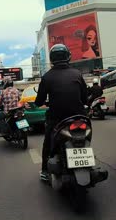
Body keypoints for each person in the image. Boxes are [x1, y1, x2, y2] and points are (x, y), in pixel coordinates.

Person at [35, 44, 88, 181]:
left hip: (57, 119)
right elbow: (84, 98)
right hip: (80, 117)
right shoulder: (77, 74)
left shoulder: (47, 77)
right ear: (68, 56)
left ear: (52, 59)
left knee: (48, 142)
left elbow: (39, 101)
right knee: (86, 137)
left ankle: (45, 171)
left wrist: (40, 103)